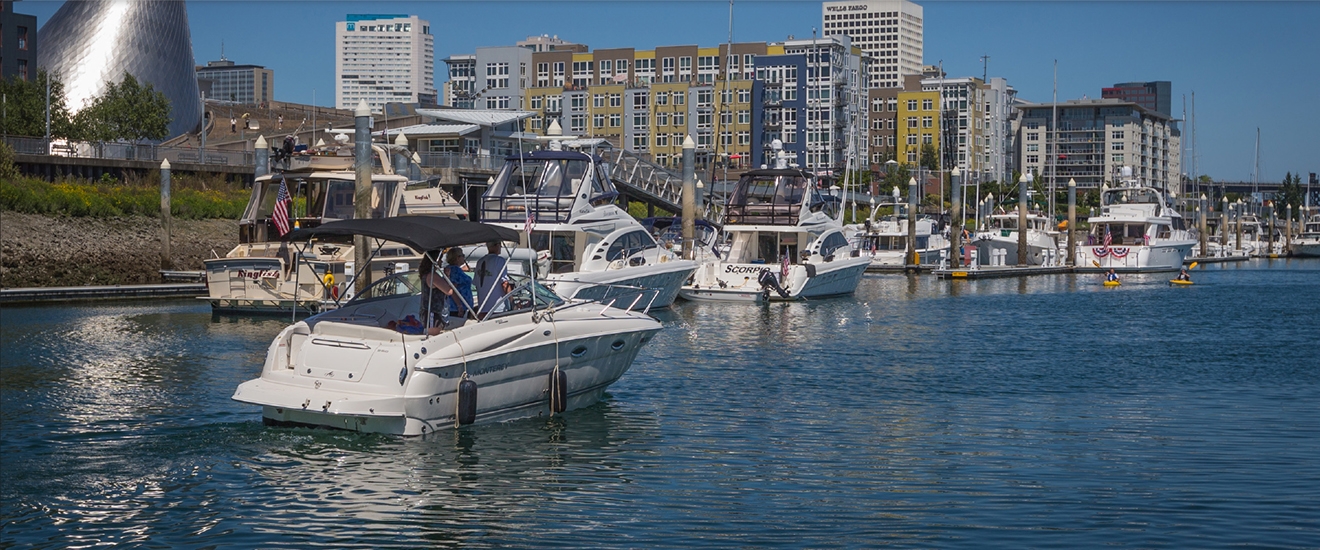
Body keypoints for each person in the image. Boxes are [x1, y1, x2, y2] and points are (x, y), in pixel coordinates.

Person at [418, 252, 457, 335]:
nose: (441, 262)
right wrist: (452, 282)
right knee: (433, 336)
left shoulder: (426, 274)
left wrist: (446, 276)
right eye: (440, 259)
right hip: (432, 312)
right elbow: (449, 291)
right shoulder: (433, 276)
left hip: (429, 310)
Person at [474, 240, 509, 316]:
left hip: (482, 307)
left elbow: (476, 284)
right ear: (495, 246)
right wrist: (511, 300)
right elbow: (504, 284)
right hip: (497, 308)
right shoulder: (500, 261)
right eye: (499, 244)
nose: (501, 247)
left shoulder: (480, 261)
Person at [443, 248, 473, 321]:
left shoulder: (454, 269)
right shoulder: (455, 271)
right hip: (456, 308)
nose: (464, 257)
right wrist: (459, 306)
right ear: (457, 258)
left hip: (457, 306)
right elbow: (452, 289)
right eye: (462, 255)